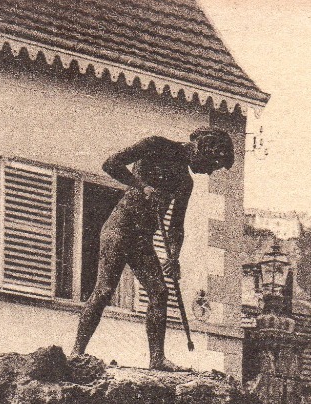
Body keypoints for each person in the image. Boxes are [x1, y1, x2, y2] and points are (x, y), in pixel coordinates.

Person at [70, 129, 236, 371]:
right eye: (213, 164)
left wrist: (174, 256)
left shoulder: (185, 183)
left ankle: (157, 358)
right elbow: (111, 164)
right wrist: (143, 186)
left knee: (159, 292)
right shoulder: (156, 145)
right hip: (119, 228)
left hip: (141, 240)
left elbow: (176, 226)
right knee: (105, 290)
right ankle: (77, 351)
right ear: (204, 148)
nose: (210, 171)